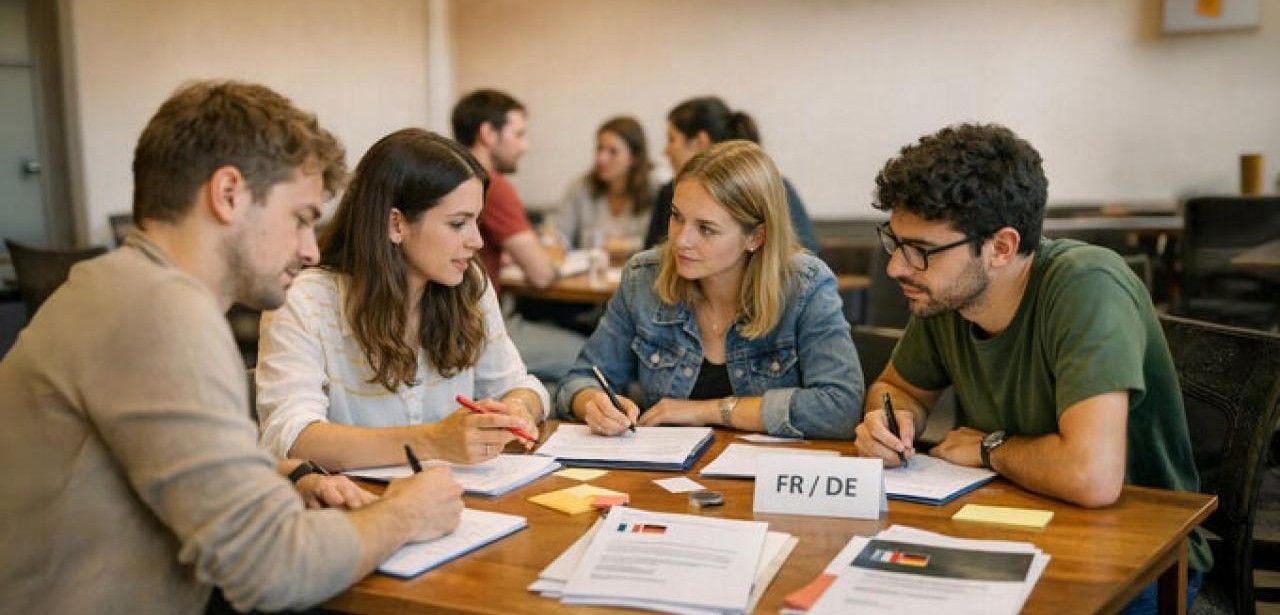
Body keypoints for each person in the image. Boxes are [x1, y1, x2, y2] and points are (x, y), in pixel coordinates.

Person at [0, 81, 464, 613]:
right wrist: (405, 513)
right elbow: (272, 569)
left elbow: (168, 459)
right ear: (228, 194)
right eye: (301, 219)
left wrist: (289, 475)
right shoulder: (157, 310)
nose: (311, 250)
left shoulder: (117, 287)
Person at [851, 123, 1209, 611]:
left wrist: (989, 448)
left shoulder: (1088, 285)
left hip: (1138, 553)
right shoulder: (946, 296)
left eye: (921, 251)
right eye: (894, 242)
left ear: (1001, 247)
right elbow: (898, 387)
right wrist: (889, 422)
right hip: (1006, 528)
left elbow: (1091, 476)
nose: (896, 266)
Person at [255, 128, 547, 471]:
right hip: (356, 500)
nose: (477, 241)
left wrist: (517, 407)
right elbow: (291, 439)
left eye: (476, 222)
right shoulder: (305, 301)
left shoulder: (469, 285)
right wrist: (433, 440)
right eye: (458, 223)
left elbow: (520, 387)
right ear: (396, 224)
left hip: (457, 496)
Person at [556, 140, 863, 439]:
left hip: (769, 469)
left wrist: (708, 411)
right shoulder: (644, 277)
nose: (681, 240)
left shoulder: (805, 286)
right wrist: (592, 403)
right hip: (664, 467)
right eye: (677, 217)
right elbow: (579, 380)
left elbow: (841, 407)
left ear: (756, 237)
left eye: (706, 229)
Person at [451, 89, 584, 381]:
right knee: (589, 355)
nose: (525, 146)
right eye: (519, 134)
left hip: (449, 324)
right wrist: (550, 259)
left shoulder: (449, 179)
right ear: (488, 133)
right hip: (478, 328)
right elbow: (541, 275)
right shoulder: (492, 185)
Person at [642, 96, 820, 255]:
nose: (666, 151)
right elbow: (652, 258)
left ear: (700, 141)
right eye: (677, 217)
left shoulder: (771, 189)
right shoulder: (668, 192)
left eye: (672, 139)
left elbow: (802, 256)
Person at [554, 115, 654, 254]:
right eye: (599, 149)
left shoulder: (657, 187)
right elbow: (560, 234)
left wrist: (623, 246)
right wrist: (552, 240)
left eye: (613, 152)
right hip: (590, 267)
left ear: (634, 157)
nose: (601, 158)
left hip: (638, 267)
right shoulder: (581, 188)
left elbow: (661, 243)